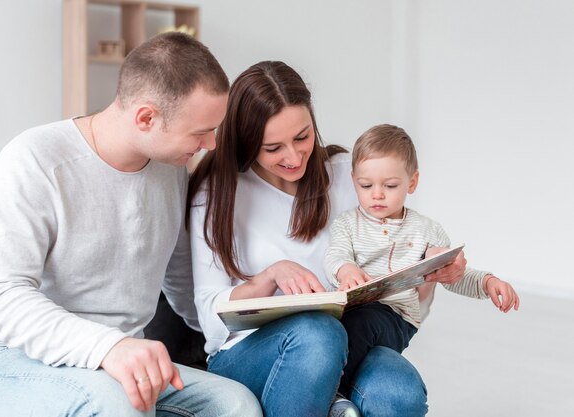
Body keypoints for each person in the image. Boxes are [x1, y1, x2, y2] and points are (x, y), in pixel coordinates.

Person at [0, 32, 262, 417]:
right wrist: (109, 347)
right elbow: (2, 299)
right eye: (200, 131)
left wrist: (242, 321)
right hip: (8, 363)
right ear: (146, 117)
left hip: (121, 365)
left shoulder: (170, 171)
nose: (212, 144)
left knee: (236, 405)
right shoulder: (34, 159)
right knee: (118, 403)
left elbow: (183, 285)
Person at [186, 61, 468, 417]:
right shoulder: (216, 194)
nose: (293, 157)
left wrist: (433, 265)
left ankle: (330, 396)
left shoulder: (349, 175)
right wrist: (271, 275)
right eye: (273, 148)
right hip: (248, 354)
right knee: (317, 334)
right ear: (247, 143)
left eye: (302, 137)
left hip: (347, 338)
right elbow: (210, 324)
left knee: (397, 393)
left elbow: (401, 269)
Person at [324, 123, 520, 393]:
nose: (377, 194)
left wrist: (487, 282)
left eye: (390, 185)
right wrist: (346, 270)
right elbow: (336, 254)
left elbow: (453, 275)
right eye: (366, 185)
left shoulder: (426, 230)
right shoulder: (346, 224)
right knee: (325, 330)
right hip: (349, 307)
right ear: (353, 179)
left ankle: (334, 395)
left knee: (360, 324)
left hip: (396, 317)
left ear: (412, 182)